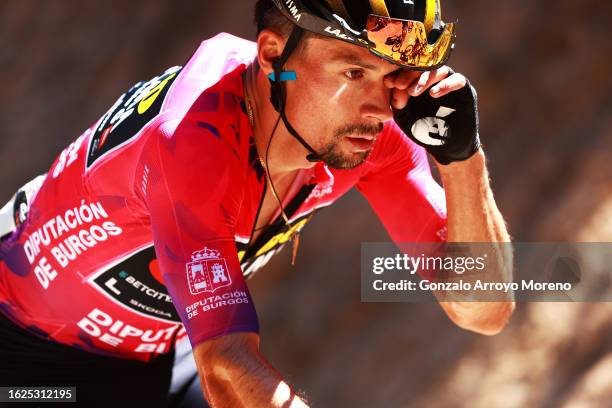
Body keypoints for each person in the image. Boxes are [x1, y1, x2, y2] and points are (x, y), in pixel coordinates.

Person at [0, 0, 515, 406]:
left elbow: (483, 309)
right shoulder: (192, 141)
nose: (381, 107)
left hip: (159, 360)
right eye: (354, 73)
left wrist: (461, 157)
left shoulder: (365, 130)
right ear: (273, 57)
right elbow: (225, 363)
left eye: (391, 77)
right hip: (27, 368)